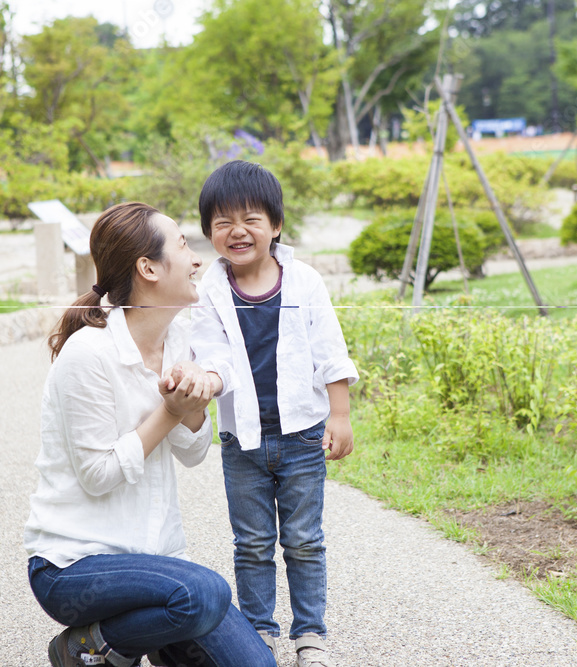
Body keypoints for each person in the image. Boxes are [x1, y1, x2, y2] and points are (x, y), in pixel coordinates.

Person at [24, 201, 276, 667]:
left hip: (155, 562)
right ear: (148, 268)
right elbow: (98, 474)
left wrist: (193, 409)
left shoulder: (179, 341)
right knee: (203, 594)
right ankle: (89, 647)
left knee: (257, 664)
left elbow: (194, 452)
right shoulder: (89, 354)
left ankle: (149, 637)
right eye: (183, 245)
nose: (197, 258)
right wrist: (169, 411)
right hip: (75, 567)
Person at [190, 161, 359, 667]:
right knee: (252, 543)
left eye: (251, 219)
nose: (237, 231)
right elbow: (210, 354)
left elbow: (329, 349)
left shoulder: (304, 282)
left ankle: (311, 636)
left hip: (302, 435)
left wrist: (340, 414)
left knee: (305, 541)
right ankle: (258, 633)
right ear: (208, 233)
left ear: (276, 224)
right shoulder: (209, 292)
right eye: (222, 222)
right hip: (241, 439)